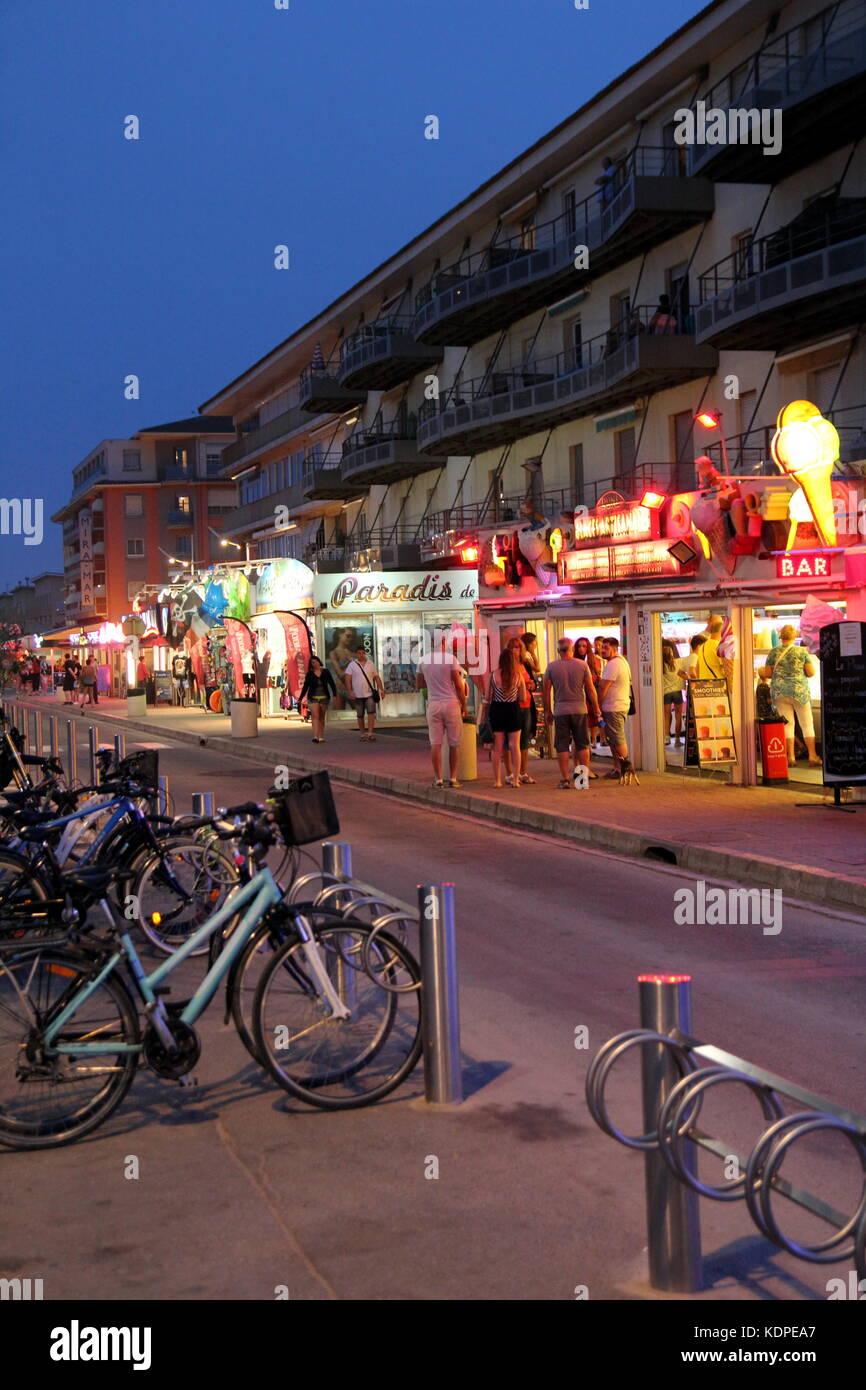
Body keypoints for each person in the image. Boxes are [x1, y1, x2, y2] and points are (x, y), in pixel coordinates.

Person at [543, 637, 601, 790]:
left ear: (558, 650)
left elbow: (546, 692)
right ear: (572, 649)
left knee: (562, 746)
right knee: (582, 744)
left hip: (561, 711)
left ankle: (564, 780)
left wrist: (547, 711)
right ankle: (582, 781)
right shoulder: (582, 665)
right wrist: (596, 708)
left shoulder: (551, 667)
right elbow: (590, 689)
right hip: (580, 710)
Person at [759, 624, 821, 767]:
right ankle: (812, 756)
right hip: (799, 692)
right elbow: (811, 672)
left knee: (788, 724)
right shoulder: (802, 652)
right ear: (794, 636)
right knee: (806, 724)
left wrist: (780, 672)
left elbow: (767, 674)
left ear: (780, 637)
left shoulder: (773, 652)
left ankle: (791, 757)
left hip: (780, 692)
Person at [416, 632, 467, 788]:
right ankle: (452, 778)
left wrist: (433, 685)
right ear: (444, 643)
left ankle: (438, 779)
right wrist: (463, 705)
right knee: (454, 742)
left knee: (435, 744)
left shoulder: (423, 660)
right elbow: (458, 685)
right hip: (451, 703)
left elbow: (419, 684)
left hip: (433, 704)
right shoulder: (451, 659)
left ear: (432, 643)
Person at [481, 647, 526, 790]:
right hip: (513, 710)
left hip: (497, 710)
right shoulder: (518, 676)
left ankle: (497, 781)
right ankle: (515, 781)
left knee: (498, 747)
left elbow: (488, 697)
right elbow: (522, 697)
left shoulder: (493, 675)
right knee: (515, 746)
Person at [503, 636, 537, 785]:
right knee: (509, 742)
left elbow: (534, 683)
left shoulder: (525, 664)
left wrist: (530, 685)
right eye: (512, 647)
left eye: (518, 647)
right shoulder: (505, 667)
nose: (515, 650)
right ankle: (510, 773)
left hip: (527, 705)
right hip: (512, 705)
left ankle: (523, 772)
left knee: (524, 740)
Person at [598, 637, 632, 778]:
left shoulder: (614, 664)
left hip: (614, 707)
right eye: (602, 647)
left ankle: (626, 769)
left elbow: (603, 687)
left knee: (617, 739)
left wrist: (597, 706)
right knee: (613, 739)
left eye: (606, 648)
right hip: (617, 706)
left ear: (614, 648)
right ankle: (618, 769)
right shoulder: (622, 661)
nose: (603, 650)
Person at [343, 645, 385, 741]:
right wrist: (350, 691)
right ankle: (362, 734)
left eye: (362, 653)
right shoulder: (352, 665)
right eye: (359, 653)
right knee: (360, 715)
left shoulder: (370, 664)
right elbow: (347, 678)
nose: (361, 655)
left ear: (365, 653)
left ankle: (370, 733)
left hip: (369, 694)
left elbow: (376, 677)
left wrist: (382, 689)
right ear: (356, 654)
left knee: (371, 713)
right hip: (357, 694)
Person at [299, 655, 337, 744]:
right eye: (313, 662)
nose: (315, 663)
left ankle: (321, 736)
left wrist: (334, 694)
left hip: (324, 697)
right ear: (311, 665)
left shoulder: (326, 672)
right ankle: (315, 736)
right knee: (315, 716)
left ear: (319, 662)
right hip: (313, 698)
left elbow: (331, 683)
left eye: (316, 661)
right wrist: (301, 698)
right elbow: (305, 686)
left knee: (321, 717)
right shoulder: (310, 674)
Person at [574, 636, 602, 749]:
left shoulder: (593, 660)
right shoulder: (574, 661)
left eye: (584, 646)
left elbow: (597, 676)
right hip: (580, 695)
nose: (581, 648)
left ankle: (594, 740)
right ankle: (587, 743)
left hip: (592, 692)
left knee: (594, 718)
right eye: (579, 646)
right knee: (583, 721)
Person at [662, 640, 687, 745]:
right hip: (677, 693)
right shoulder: (678, 662)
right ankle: (677, 740)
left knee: (666, 717)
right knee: (678, 716)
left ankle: (667, 739)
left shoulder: (661, 666)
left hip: (666, 693)